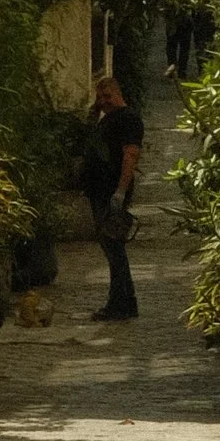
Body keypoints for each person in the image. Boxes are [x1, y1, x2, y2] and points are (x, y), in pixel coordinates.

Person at [84, 71, 143, 322]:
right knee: (113, 249)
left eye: (107, 96)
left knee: (113, 247)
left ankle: (119, 304)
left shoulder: (127, 119)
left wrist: (120, 191)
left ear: (118, 94)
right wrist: (95, 111)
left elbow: (130, 155)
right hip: (101, 190)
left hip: (111, 191)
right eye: (99, 97)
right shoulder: (108, 118)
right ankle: (125, 302)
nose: (103, 101)